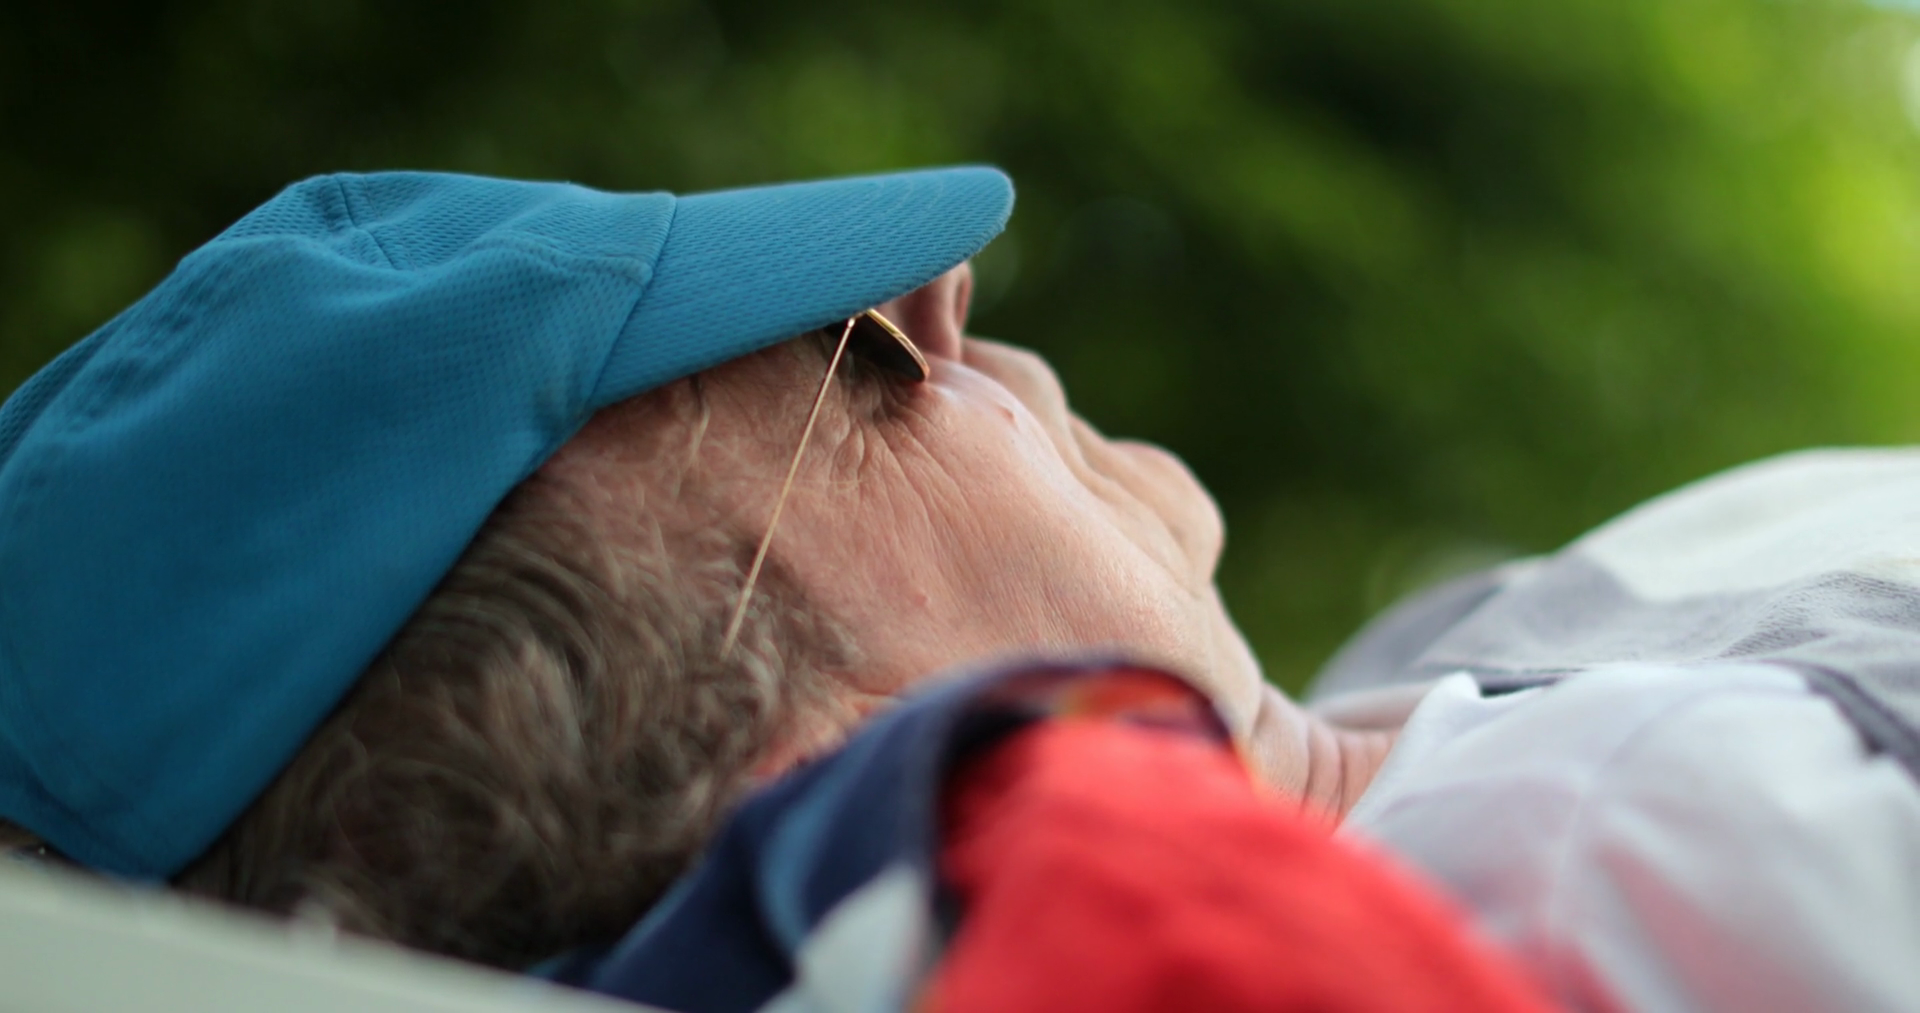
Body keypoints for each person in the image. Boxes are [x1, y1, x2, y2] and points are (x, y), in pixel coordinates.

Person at [0, 167, 1430, 992]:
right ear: (816, 776)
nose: (948, 295)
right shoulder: (1509, 875)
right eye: (869, 371)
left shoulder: (1428, 673)